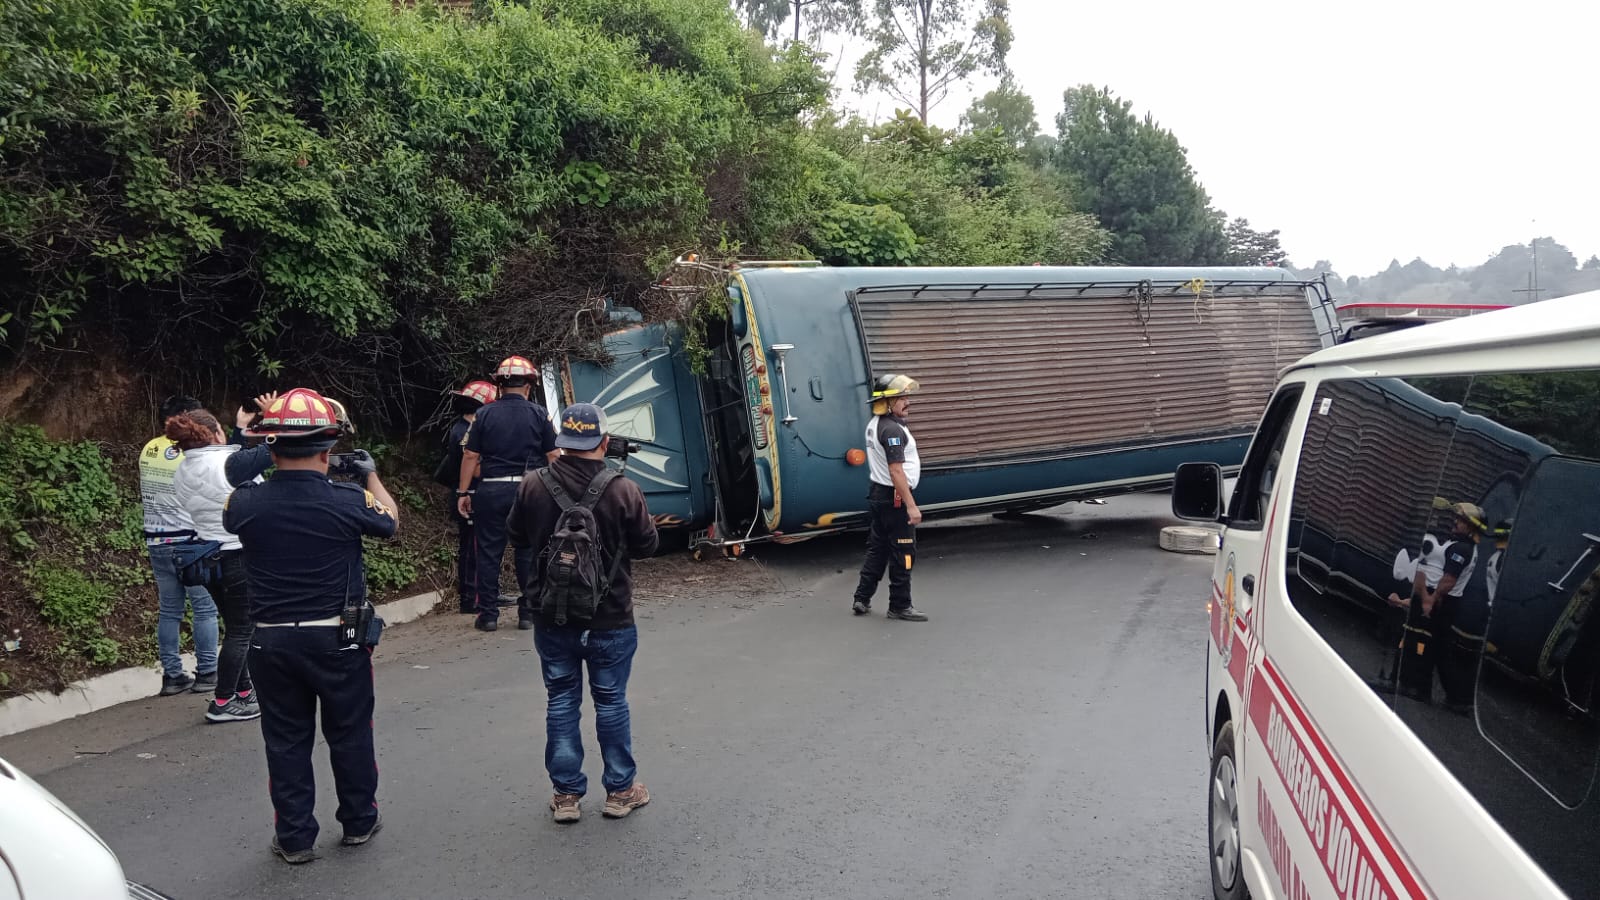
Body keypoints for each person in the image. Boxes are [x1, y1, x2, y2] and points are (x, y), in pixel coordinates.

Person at [223, 387, 397, 865]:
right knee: (351, 733)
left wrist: (264, 443)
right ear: (329, 450)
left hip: (270, 641)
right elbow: (390, 522)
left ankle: (296, 838)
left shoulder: (244, 504)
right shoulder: (347, 499)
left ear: (270, 448)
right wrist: (370, 476)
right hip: (337, 640)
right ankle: (359, 823)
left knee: (285, 741)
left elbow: (238, 475)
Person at [509, 403, 658, 823]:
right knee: (611, 701)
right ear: (604, 443)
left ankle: (566, 796)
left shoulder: (532, 485)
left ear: (561, 444)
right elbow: (648, 546)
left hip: (550, 614)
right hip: (610, 616)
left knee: (560, 700)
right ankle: (621, 790)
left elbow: (516, 535)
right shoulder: (623, 488)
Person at [166, 409, 259, 723]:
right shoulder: (226, 464)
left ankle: (245, 693)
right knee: (242, 631)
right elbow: (269, 452)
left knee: (235, 629)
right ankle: (222, 701)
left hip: (210, 556)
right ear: (215, 433)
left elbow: (234, 464)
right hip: (239, 554)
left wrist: (240, 431)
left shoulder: (182, 471)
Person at [458, 356, 558, 632]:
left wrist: (463, 491)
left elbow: (469, 455)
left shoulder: (484, 415)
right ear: (529, 385)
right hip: (531, 488)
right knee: (527, 551)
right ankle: (527, 613)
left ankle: (488, 615)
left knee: (489, 553)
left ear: (499, 384)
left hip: (491, 488)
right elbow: (553, 454)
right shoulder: (539, 414)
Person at [141, 395, 219, 696]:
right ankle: (208, 672)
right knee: (205, 608)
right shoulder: (190, 451)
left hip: (157, 539)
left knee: (170, 610)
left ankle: (172, 676)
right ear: (185, 416)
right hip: (190, 540)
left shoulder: (149, 447)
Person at [1383, 500, 1483, 703]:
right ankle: (1454, 698)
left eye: (1461, 520)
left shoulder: (1461, 549)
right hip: (1447, 602)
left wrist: (1430, 600)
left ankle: (1416, 687)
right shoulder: (1465, 547)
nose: (1455, 523)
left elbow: (1448, 581)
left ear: (1471, 526)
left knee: (1420, 640)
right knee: (1438, 649)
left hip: (1444, 602)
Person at [851, 373, 929, 622]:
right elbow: (896, 471)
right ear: (887, 402)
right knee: (904, 551)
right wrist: (912, 506)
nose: (907, 402)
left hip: (878, 494)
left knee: (878, 548)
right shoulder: (892, 430)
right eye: (902, 398)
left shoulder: (875, 424)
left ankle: (862, 598)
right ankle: (900, 605)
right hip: (893, 498)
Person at [433, 380, 497, 614]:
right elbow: (472, 467)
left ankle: (479, 594)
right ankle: (473, 597)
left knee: (475, 546)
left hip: (469, 494)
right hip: (469, 495)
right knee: (474, 547)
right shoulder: (467, 432)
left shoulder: (465, 428)